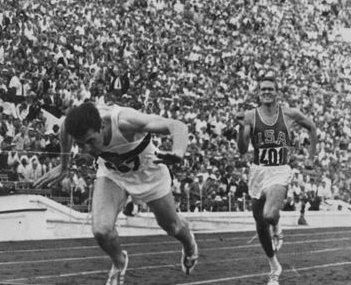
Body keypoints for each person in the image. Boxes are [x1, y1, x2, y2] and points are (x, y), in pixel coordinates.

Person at [35, 101, 198, 285]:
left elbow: (177, 125)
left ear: (102, 126)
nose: (87, 149)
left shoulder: (125, 122)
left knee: (172, 226)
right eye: (81, 145)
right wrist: (63, 166)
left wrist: (178, 151)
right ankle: (119, 261)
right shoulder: (74, 125)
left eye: (90, 141)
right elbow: (64, 127)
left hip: (148, 172)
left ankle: (190, 245)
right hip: (113, 174)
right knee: (101, 230)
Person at [237, 73, 317, 285]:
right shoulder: (251, 116)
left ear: (276, 92)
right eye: (263, 89)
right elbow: (242, 149)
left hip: (279, 170)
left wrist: (311, 156)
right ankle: (274, 267)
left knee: (270, 215)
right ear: (258, 93)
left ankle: (278, 225)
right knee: (260, 225)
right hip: (257, 171)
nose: (266, 92)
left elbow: (312, 127)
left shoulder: (289, 114)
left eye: (270, 89)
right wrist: (240, 127)